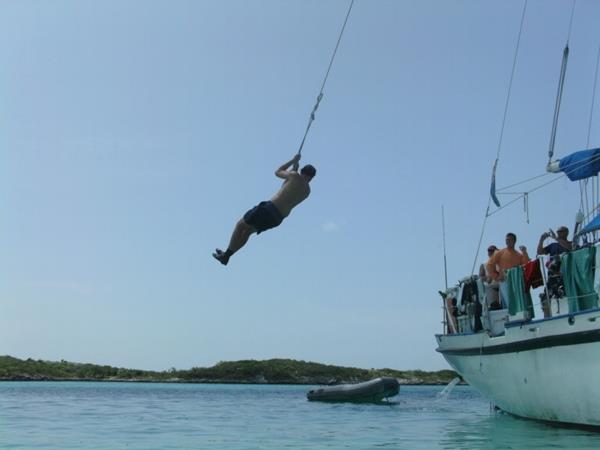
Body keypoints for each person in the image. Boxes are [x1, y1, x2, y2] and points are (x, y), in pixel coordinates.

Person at [213, 154, 316, 266]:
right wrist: (294, 169)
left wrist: (293, 161)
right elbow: (287, 187)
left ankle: (226, 255)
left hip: (268, 209)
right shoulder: (307, 192)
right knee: (247, 232)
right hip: (277, 219)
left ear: (302, 172)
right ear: (311, 178)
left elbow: (278, 171)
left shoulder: (294, 176)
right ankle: (227, 256)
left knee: (240, 225)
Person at [486, 233, 530, 309]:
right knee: (509, 303)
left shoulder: (519, 255)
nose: (507, 241)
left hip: (516, 281)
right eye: (506, 240)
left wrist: (524, 252)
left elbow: (526, 264)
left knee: (517, 302)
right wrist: (497, 277)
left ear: (514, 241)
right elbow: (489, 265)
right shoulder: (500, 253)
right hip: (505, 281)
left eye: (509, 240)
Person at [479, 245, 501, 309]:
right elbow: (481, 278)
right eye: (489, 250)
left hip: (501, 285)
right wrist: (488, 278)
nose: (491, 252)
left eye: (493, 251)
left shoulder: (501, 263)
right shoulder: (484, 264)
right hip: (491, 288)